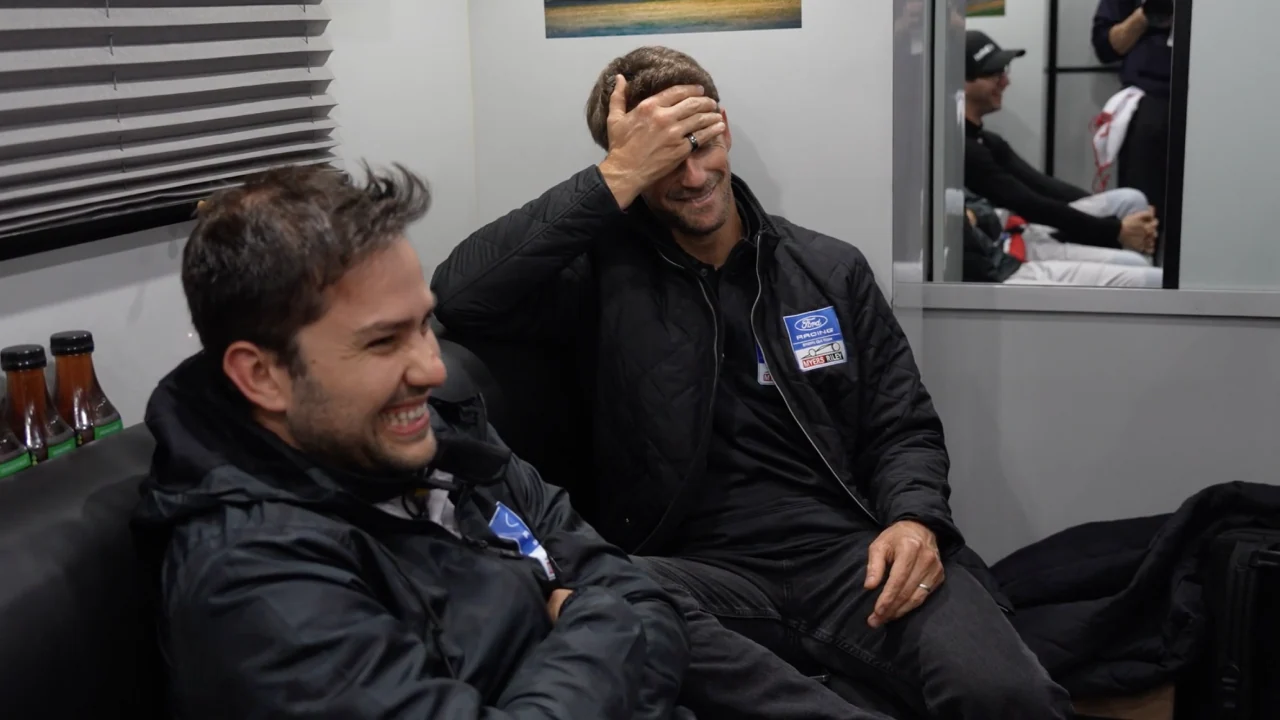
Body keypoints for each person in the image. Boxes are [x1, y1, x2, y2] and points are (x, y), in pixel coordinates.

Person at [432, 46, 1074, 719]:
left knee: (1008, 695)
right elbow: (459, 294)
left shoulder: (826, 268)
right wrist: (615, 174)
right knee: (612, 594)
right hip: (692, 571)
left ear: (726, 129)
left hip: (852, 558)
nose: (691, 174)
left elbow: (901, 424)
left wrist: (915, 520)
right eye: (661, 159)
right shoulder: (595, 276)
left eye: (701, 143)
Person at [131, 165, 882, 720]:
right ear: (261, 377)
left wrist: (585, 628)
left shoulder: (444, 438)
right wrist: (603, 625)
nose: (430, 366)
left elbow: (636, 589)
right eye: (383, 342)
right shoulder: (254, 583)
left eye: (424, 323)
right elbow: (625, 613)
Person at [963, 30, 1159, 256]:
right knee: (1143, 272)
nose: (1005, 82)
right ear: (961, 84)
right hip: (1010, 243)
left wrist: (1123, 223)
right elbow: (1028, 203)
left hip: (1026, 226)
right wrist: (1116, 230)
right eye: (993, 74)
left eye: (1003, 72)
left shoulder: (988, 141)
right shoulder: (964, 148)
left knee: (1132, 200)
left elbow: (1044, 186)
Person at [963, 190, 1163, 287]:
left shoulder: (979, 143)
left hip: (1008, 243)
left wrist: (1110, 224)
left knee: (1132, 199)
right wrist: (1115, 229)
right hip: (1000, 275)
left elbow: (1030, 189)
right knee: (1148, 278)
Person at [1093, 0, 1173, 219]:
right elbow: (1106, 48)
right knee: (1141, 205)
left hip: (1214, 97)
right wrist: (1147, 14)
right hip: (1150, 102)